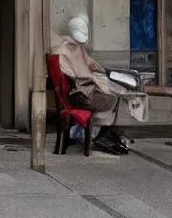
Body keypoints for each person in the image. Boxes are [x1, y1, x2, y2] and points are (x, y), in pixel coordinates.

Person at [51, 14, 145, 154]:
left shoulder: (78, 47)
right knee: (113, 97)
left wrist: (103, 73)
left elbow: (90, 64)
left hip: (85, 87)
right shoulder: (62, 52)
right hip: (80, 93)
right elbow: (72, 79)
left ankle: (106, 132)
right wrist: (93, 77)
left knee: (117, 92)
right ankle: (104, 132)